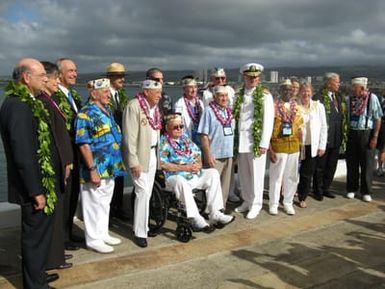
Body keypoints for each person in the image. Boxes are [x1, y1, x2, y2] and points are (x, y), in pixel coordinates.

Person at [0, 58, 59, 288]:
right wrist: (36, 191)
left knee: (40, 237)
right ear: (26, 78)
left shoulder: (28, 102)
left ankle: (38, 275)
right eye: (42, 74)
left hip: (40, 184)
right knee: (35, 239)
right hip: (33, 188)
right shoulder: (18, 106)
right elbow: (23, 154)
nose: (46, 78)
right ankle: (35, 285)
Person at [74, 78, 126, 253]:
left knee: (105, 202)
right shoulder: (85, 113)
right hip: (95, 168)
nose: (108, 94)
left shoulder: (108, 110)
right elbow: (83, 143)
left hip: (111, 166)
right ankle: (93, 239)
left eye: (108, 91)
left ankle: (102, 233)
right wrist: (92, 169)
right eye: (104, 92)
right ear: (93, 93)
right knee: (92, 203)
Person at [160, 113, 235, 230]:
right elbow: (163, 164)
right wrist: (185, 168)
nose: (179, 129)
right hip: (174, 177)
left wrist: (198, 164)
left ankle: (215, 213)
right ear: (167, 128)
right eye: (175, 127)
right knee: (180, 181)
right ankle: (195, 218)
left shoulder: (185, 138)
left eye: (181, 126)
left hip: (193, 174)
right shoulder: (164, 143)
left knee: (213, 173)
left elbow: (197, 153)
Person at [39, 61, 74, 270]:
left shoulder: (51, 100)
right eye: (53, 79)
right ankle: (52, 259)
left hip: (63, 164)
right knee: (53, 214)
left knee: (60, 212)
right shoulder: (43, 101)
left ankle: (57, 255)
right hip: (54, 166)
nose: (54, 82)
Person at [122, 79, 162, 248]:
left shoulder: (155, 109)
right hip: (139, 156)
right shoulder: (134, 107)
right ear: (146, 92)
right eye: (157, 92)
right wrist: (133, 162)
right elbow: (129, 137)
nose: (160, 95)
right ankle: (139, 232)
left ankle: (144, 226)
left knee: (148, 191)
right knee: (143, 191)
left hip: (152, 153)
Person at [233, 63, 274, 220]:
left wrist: (264, 143)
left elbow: (268, 120)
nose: (253, 80)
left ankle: (256, 205)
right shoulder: (238, 95)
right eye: (250, 77)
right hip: (242, 141)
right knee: (244, 174)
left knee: (256, 174)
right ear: (244, 77)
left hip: (255, 142)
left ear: (259, 78)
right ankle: (247, 200)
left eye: (255, 77)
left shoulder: (265, 95)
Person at [54, 57, 83, 250]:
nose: (74, 74)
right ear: (59, 74)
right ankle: (62, 238)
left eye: (75, 70)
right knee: (65, 197)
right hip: (66, 156)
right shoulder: (56, 98)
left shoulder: (74, 97)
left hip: (76, 155)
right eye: (70, 71)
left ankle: (68, 233)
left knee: (73, 195)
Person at [268, 79, 304, 215]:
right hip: (278, 146)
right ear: (280, 91)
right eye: (285, 90)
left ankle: (288, 202)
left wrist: (301, 149)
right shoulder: (273, 107)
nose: (288, 92)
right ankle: (273, 203)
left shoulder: (297, 108)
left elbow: (300, 128)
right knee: (276, 177)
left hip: (294, 147)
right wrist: (270, 149)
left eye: (290, 90)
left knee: (292, 176)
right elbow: (268, 129)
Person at [346, 77, 383, 202]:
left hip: (366, 133)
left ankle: (366, 191)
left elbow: (378, 118)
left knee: (367, 163)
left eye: (354, 87)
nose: (352, 90)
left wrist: (375, 137)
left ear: (361, 88)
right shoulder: (350, 99)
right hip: (352, 132)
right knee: (352, 162)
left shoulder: (372, 98)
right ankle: (352, 188)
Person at [198, 85, 235, 208]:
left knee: (225, 185)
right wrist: (208, 155)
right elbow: (203, 135)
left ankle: (221, 208)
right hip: (215, 155)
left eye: (225, 96)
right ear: (214, 97)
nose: (224, 98)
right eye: (221, 96)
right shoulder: (208, 111)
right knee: (212, 185)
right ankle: (210, 210)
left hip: (228, 154)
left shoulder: (229, 112)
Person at [312, 73, 345, 200]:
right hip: (324, 139)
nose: (339, 84)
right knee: (320, 166)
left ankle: (326, 187)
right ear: (328, 83)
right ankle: (318, 190)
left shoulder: (339, 97)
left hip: (336, 138)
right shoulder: (318, 97)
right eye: (337, 82)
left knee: (332, 165)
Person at [297, 82, 327, 208]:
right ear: (299, 93)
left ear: (312, 92)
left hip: (312, 146)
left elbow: (324, 126)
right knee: (292, 171)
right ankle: (287, 194)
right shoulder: (295, 106)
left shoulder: (318, 106)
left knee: (306, 173)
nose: (306, 94)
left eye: (308, 91)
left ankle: (302, 197)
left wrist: (322, 145)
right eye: (303, 91)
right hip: (297, 145)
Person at [106, 62, 130, 221]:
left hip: (120, 143)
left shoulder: (120, 95)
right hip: (109, 144)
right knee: (109, 180)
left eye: (122, 76)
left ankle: (118, 207)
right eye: (118, 76)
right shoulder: (104, 94)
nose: (122, 79)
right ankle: (109, 212)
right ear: (110, 78)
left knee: (119, 176)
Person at [175, 76, 204, 146]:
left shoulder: (200, 103)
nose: (193, 90)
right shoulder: (179, 104)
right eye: (190, 87)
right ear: (184, 89)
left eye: (195, 87)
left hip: (200, 135)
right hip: (186, 137)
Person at [375, 93, 385, 176]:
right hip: (382, 128)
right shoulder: (380, 101)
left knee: (382, 149)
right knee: (382, 149)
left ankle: (380, 168)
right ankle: (380, 168)